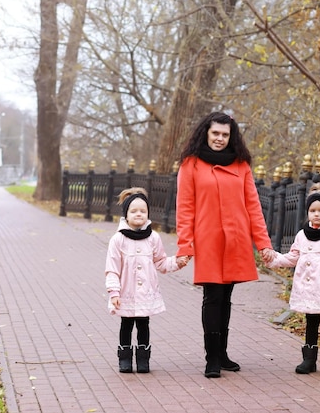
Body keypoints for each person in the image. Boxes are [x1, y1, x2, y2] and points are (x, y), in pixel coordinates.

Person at [176, 111, 274, 378]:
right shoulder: (191, 164)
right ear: (206, 133)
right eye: (215, 133)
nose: (219, 138)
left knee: (227, 297)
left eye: (224, 134)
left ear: (231, 137)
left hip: (236, 239)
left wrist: (263, 243)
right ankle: (211, 358)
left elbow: (253, 206)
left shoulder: (241, 164)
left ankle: (223, 353)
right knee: (213, 296)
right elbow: (185, 208)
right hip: (208, 239)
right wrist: (185, 246)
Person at [265, 183, 320, 376]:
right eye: (312, 210)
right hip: (308, 290)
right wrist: (274, 259)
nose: (316, 214)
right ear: (308, 212)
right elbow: (293, 257)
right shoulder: (302, 235)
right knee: (310, 322)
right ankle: (308, 360)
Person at [105, 187, 189, 373]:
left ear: (148, 214)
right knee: (126, 324)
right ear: (126, 214)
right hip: (125, 292)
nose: (138, 214)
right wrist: (113, 292)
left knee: (143, 324)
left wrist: (177, 262)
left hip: (145, 294)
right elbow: (112, 269)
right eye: (133, 211)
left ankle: (143, 360)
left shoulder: (153, 238)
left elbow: (160, 262)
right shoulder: (118, 240)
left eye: (143, 211)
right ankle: (125, 359)